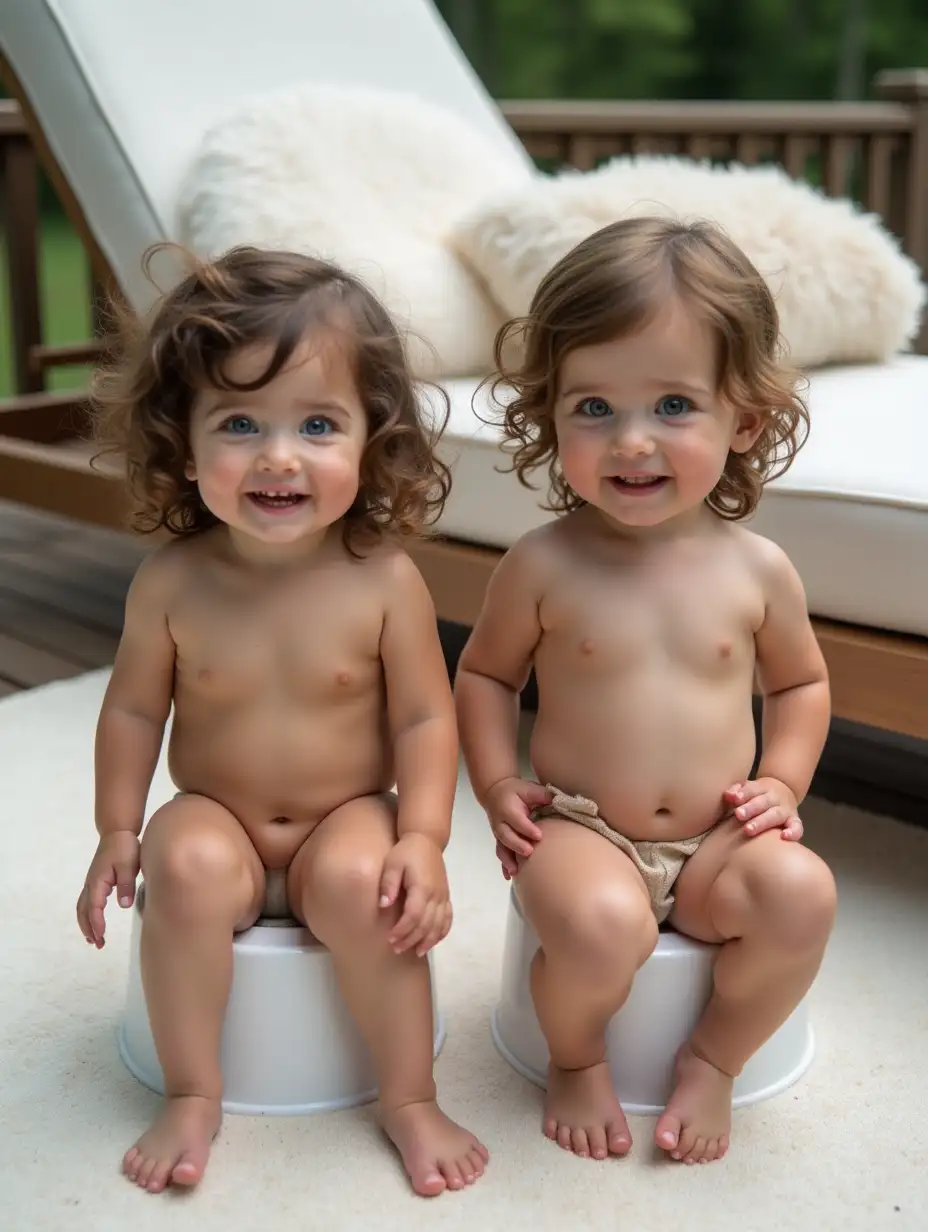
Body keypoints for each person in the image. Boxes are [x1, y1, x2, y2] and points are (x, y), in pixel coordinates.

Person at [76, 246, 488, 1197]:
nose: (278, 456)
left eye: (316, 424)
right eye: (239, 424)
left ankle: (409, 1097)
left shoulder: (383, 579)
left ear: (370, 440)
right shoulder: (174, 580)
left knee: (367, 888)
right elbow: (134, 708)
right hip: (213, 809)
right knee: (183, 869)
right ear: (183, 442)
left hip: (344, 811)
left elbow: (428, 719)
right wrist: (116, 828)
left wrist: (421, 839)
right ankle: (193, 1090)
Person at [454, 216, 837, 1167]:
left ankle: (715, 1056)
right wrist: (499, 787)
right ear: (551, 416)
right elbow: (486, 673)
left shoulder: (758, 569)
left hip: (715, 840)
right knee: (600, 924)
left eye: (673, 405)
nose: (631, 442)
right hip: (584, 829)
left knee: (801, 896)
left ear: (742, 421)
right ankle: (577, 1056)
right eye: (593, 409)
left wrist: (783, 785)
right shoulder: (543, 564)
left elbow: (801, 682)